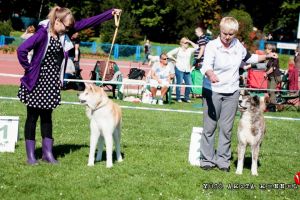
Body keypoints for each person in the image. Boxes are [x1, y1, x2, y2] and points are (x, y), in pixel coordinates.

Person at [17, 6, 122, 165]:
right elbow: (21, 49)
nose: (68, 30)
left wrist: (110, 13)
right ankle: (31, 156)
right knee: (32, 117)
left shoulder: (63, 32)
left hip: (51, 82)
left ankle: (47, 154)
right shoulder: (41, 34)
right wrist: (29, 68)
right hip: (36, 82)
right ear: (57, 21)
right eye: (66, 26)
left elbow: (87, 23)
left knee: (47, 118)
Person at [199, 17, 277, 172]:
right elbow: (206, 65)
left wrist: (268, 56)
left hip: (232, 91)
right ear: (220, 31)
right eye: (225, 33)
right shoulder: (212, 46)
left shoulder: (238, 46)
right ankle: (207, 159)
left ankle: (223, 161)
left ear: (235, 33)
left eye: (231, 34)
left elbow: (250, 58)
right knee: (210, 126)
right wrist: (211, 74)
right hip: (212, 89)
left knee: (226, 128)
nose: (227, 37)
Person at [167, 37, 198, 103]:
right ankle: (178, 98)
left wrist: (189, 41)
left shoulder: (189, 50)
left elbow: (197, 47)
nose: (187, 44)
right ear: (181, 43)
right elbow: (168, 54)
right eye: (185, 42)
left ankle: (186, 97)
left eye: (187, 43)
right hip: (179, 68)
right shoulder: (178, 49)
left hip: (187, 70)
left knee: (189, 84)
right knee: (179, 83)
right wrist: (175, 60)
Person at [264, 43, 281, 110]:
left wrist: (266, 73)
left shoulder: (275, 57)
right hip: (270, 77)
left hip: (275, 77)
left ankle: (273, 107)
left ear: (271, 50)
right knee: (269, 91)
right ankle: (270, 105)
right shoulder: (270, 57)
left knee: (271, 91)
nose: (266, 50)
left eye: (267, 49)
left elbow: (273, 68)